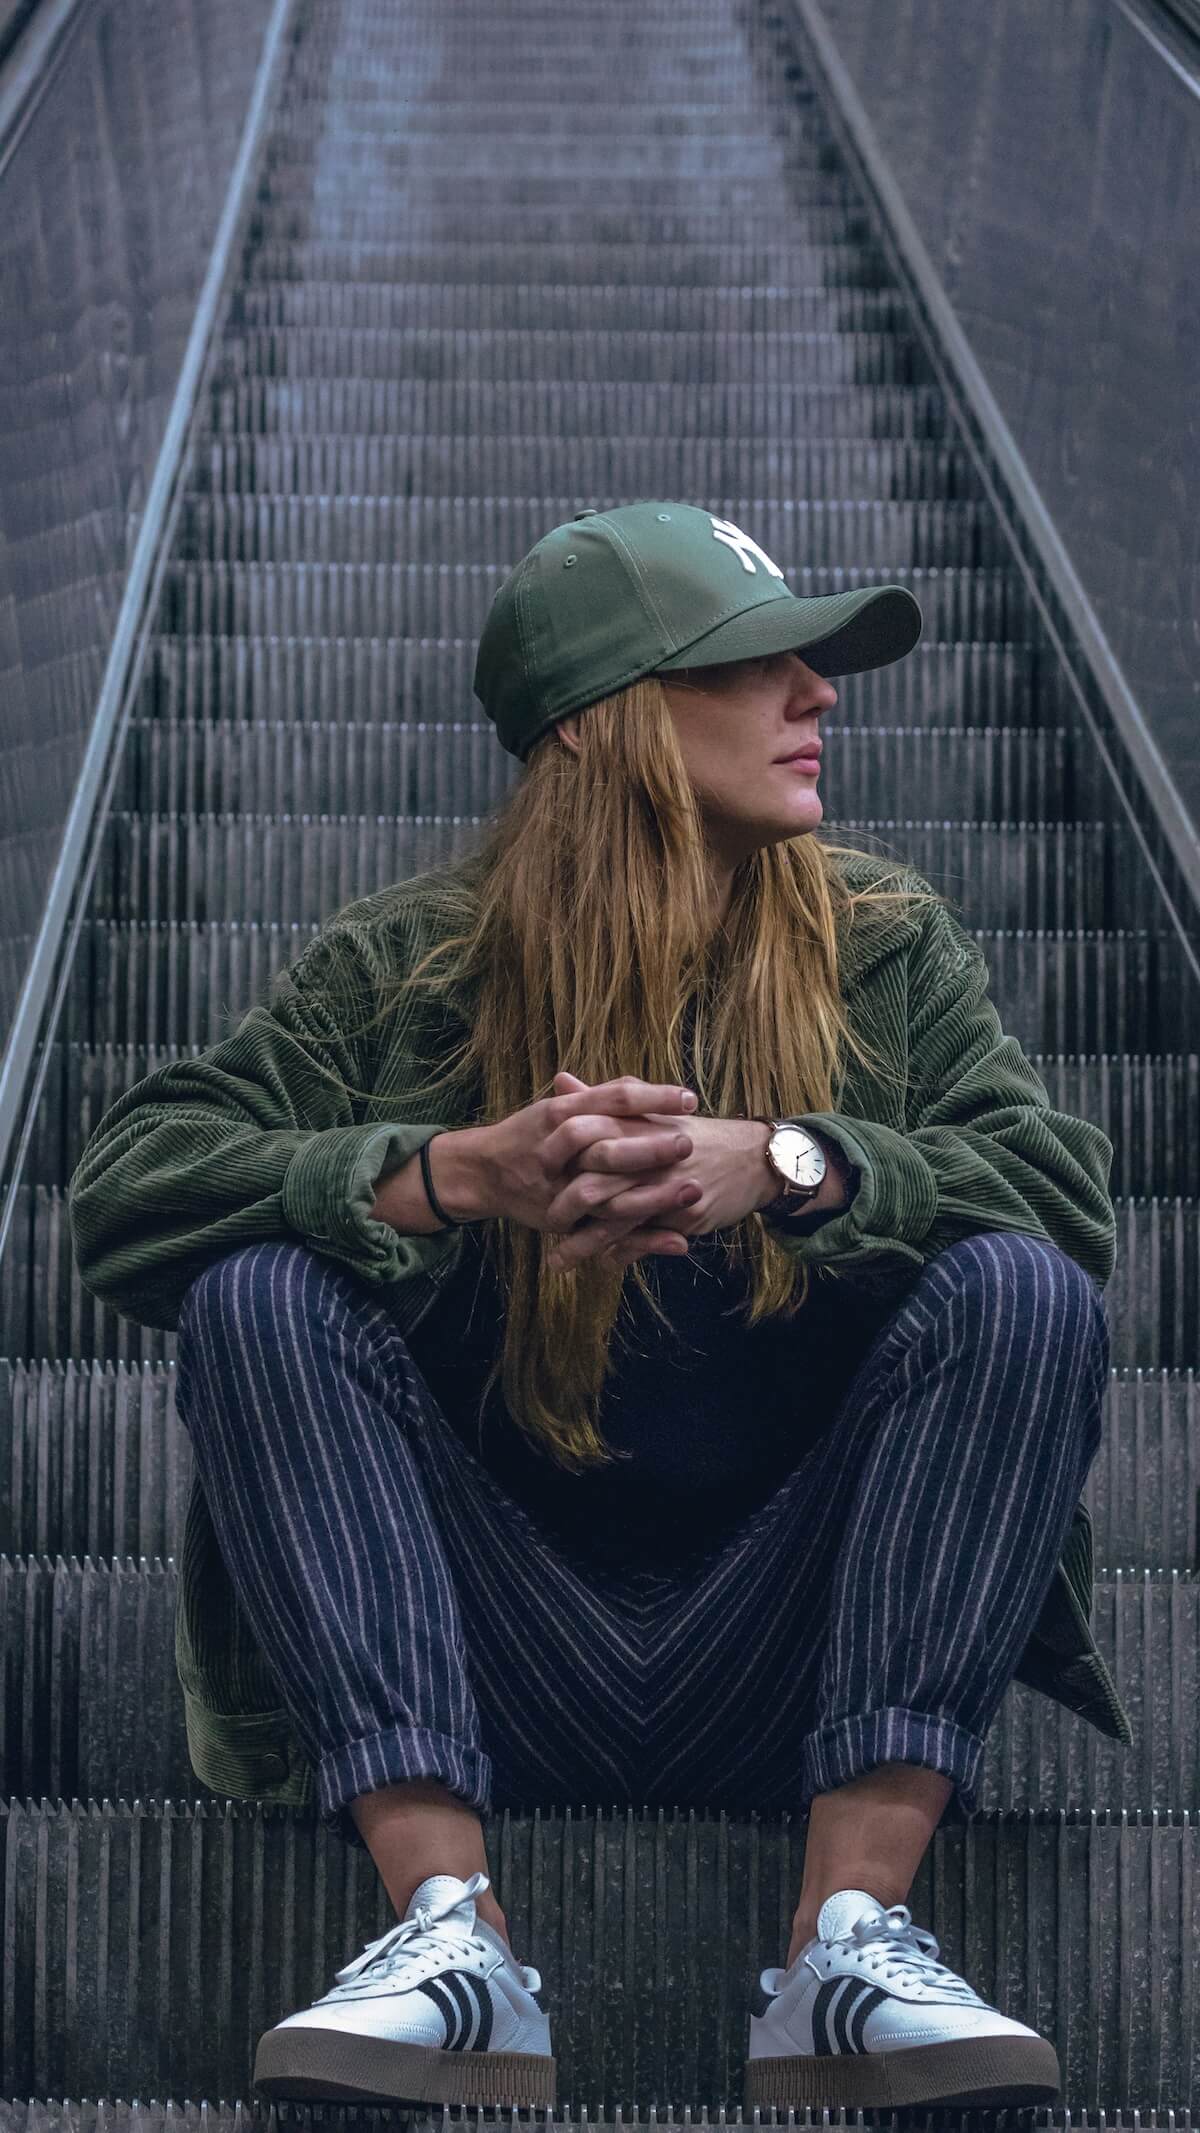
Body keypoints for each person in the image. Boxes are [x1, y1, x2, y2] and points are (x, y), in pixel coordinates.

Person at [67, 502, 1130, 2112]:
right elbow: (125, 1192)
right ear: (612, 721)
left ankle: (852, 1934)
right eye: (762, 662)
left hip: (793, 1649)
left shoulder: (882, 946)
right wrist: (447, 1176)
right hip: (479, 1656)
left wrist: (794, 1160)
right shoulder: (403, 976)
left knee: (1020, 1284)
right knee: (264, 1285)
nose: (819, 696)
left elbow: (1063, 1198)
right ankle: (447, 1932)